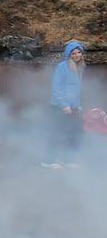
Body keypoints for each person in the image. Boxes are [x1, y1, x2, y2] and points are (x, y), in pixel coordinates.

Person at [41, 40, 85, 170]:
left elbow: (76, 89)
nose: (76, 55)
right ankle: (49, 160)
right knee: (57, 132)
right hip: (60, 107)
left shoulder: (80, 67)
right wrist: (64, 105)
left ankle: (68, 160)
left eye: (78, 52)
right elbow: (56, 89)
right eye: (73, 53)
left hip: (73, 107)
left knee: (73, 134)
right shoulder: (62, 67)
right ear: (68, 54)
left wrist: (78, 105)